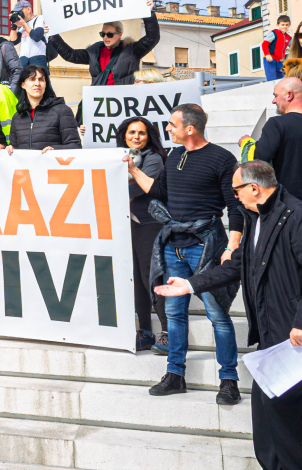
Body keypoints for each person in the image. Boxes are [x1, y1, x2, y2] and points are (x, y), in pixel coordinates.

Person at [156, 161, 302, 468]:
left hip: (291, 335)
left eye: (236, 190)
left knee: (286, 416)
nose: (234, 196)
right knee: (265, 417)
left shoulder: (295, 215)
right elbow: (237, 265)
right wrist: (190, 285)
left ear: (254, 188)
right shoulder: (256, 217)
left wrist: (300, 322)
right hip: (269, 331)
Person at [125, 103, 242, 404]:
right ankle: (175, 375)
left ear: (190, 128)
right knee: (175, 315)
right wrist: (133, 170)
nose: (167, 129)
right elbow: (159, 192)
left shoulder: (222, 159)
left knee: (218, 315)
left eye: (172, 124)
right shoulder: (175, 155)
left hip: (206, 246)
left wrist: (231, 247)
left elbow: (236, 207)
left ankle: (229, 380)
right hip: (172, 247)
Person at [116, 117, 168, 353]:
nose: (136, 137)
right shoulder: (116, 156)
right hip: (126, 223)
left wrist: (114, 191)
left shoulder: (154, 158)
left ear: (149, 137)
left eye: (142, 133)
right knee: (136, 279)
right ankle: (145, 331)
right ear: (123, 135)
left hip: (148, 224)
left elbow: (139, 188)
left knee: (152, 277)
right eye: (131, 132)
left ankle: (167, 331)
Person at [49, 0, 160, 86]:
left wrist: (149, 13)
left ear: (120, 34)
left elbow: (152, 38)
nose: (106, 37)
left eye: (110, 34)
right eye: (103, 34)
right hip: (99, 100)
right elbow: (70, 55)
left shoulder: (132, 50)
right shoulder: (94, 51)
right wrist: (52, 34)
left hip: (122, 100)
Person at [240, 77, 302, 200]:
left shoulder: (277, 124)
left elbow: (258, 160)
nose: (273, 101)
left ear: (289, 95)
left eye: (276, 95)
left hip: (289, 202)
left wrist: (246, 143)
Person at [7, 65, 80, 152]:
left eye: (41, 79)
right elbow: (15, 149)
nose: (37, 83)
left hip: (53, 161)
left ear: (46, 84)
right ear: (23, 85)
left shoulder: (62, 111)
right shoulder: (17, 117)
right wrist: (9, 148)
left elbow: (75, 145)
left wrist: (54, 150)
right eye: (32, 79)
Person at [8, 0, 48, 69]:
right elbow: (14, 41)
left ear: (29, 9)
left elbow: (36, 36)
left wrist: (24, 24)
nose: (19, 14)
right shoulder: (24, 24)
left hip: (37, 57)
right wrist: (14, 25)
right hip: (23, 59)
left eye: (20, 11)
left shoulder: (39, 18)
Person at [262, 15, 292, 81]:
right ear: (278, 25)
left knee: (283, 77)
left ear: (289, 26)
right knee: (272, 78)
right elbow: (264, 44)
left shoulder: (288, 37)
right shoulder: (274, 33)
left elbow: (293, 47)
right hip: (270, 58)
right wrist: (267, 54)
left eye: (287, 25)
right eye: (282, 25)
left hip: (279, 60)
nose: (284, 26)